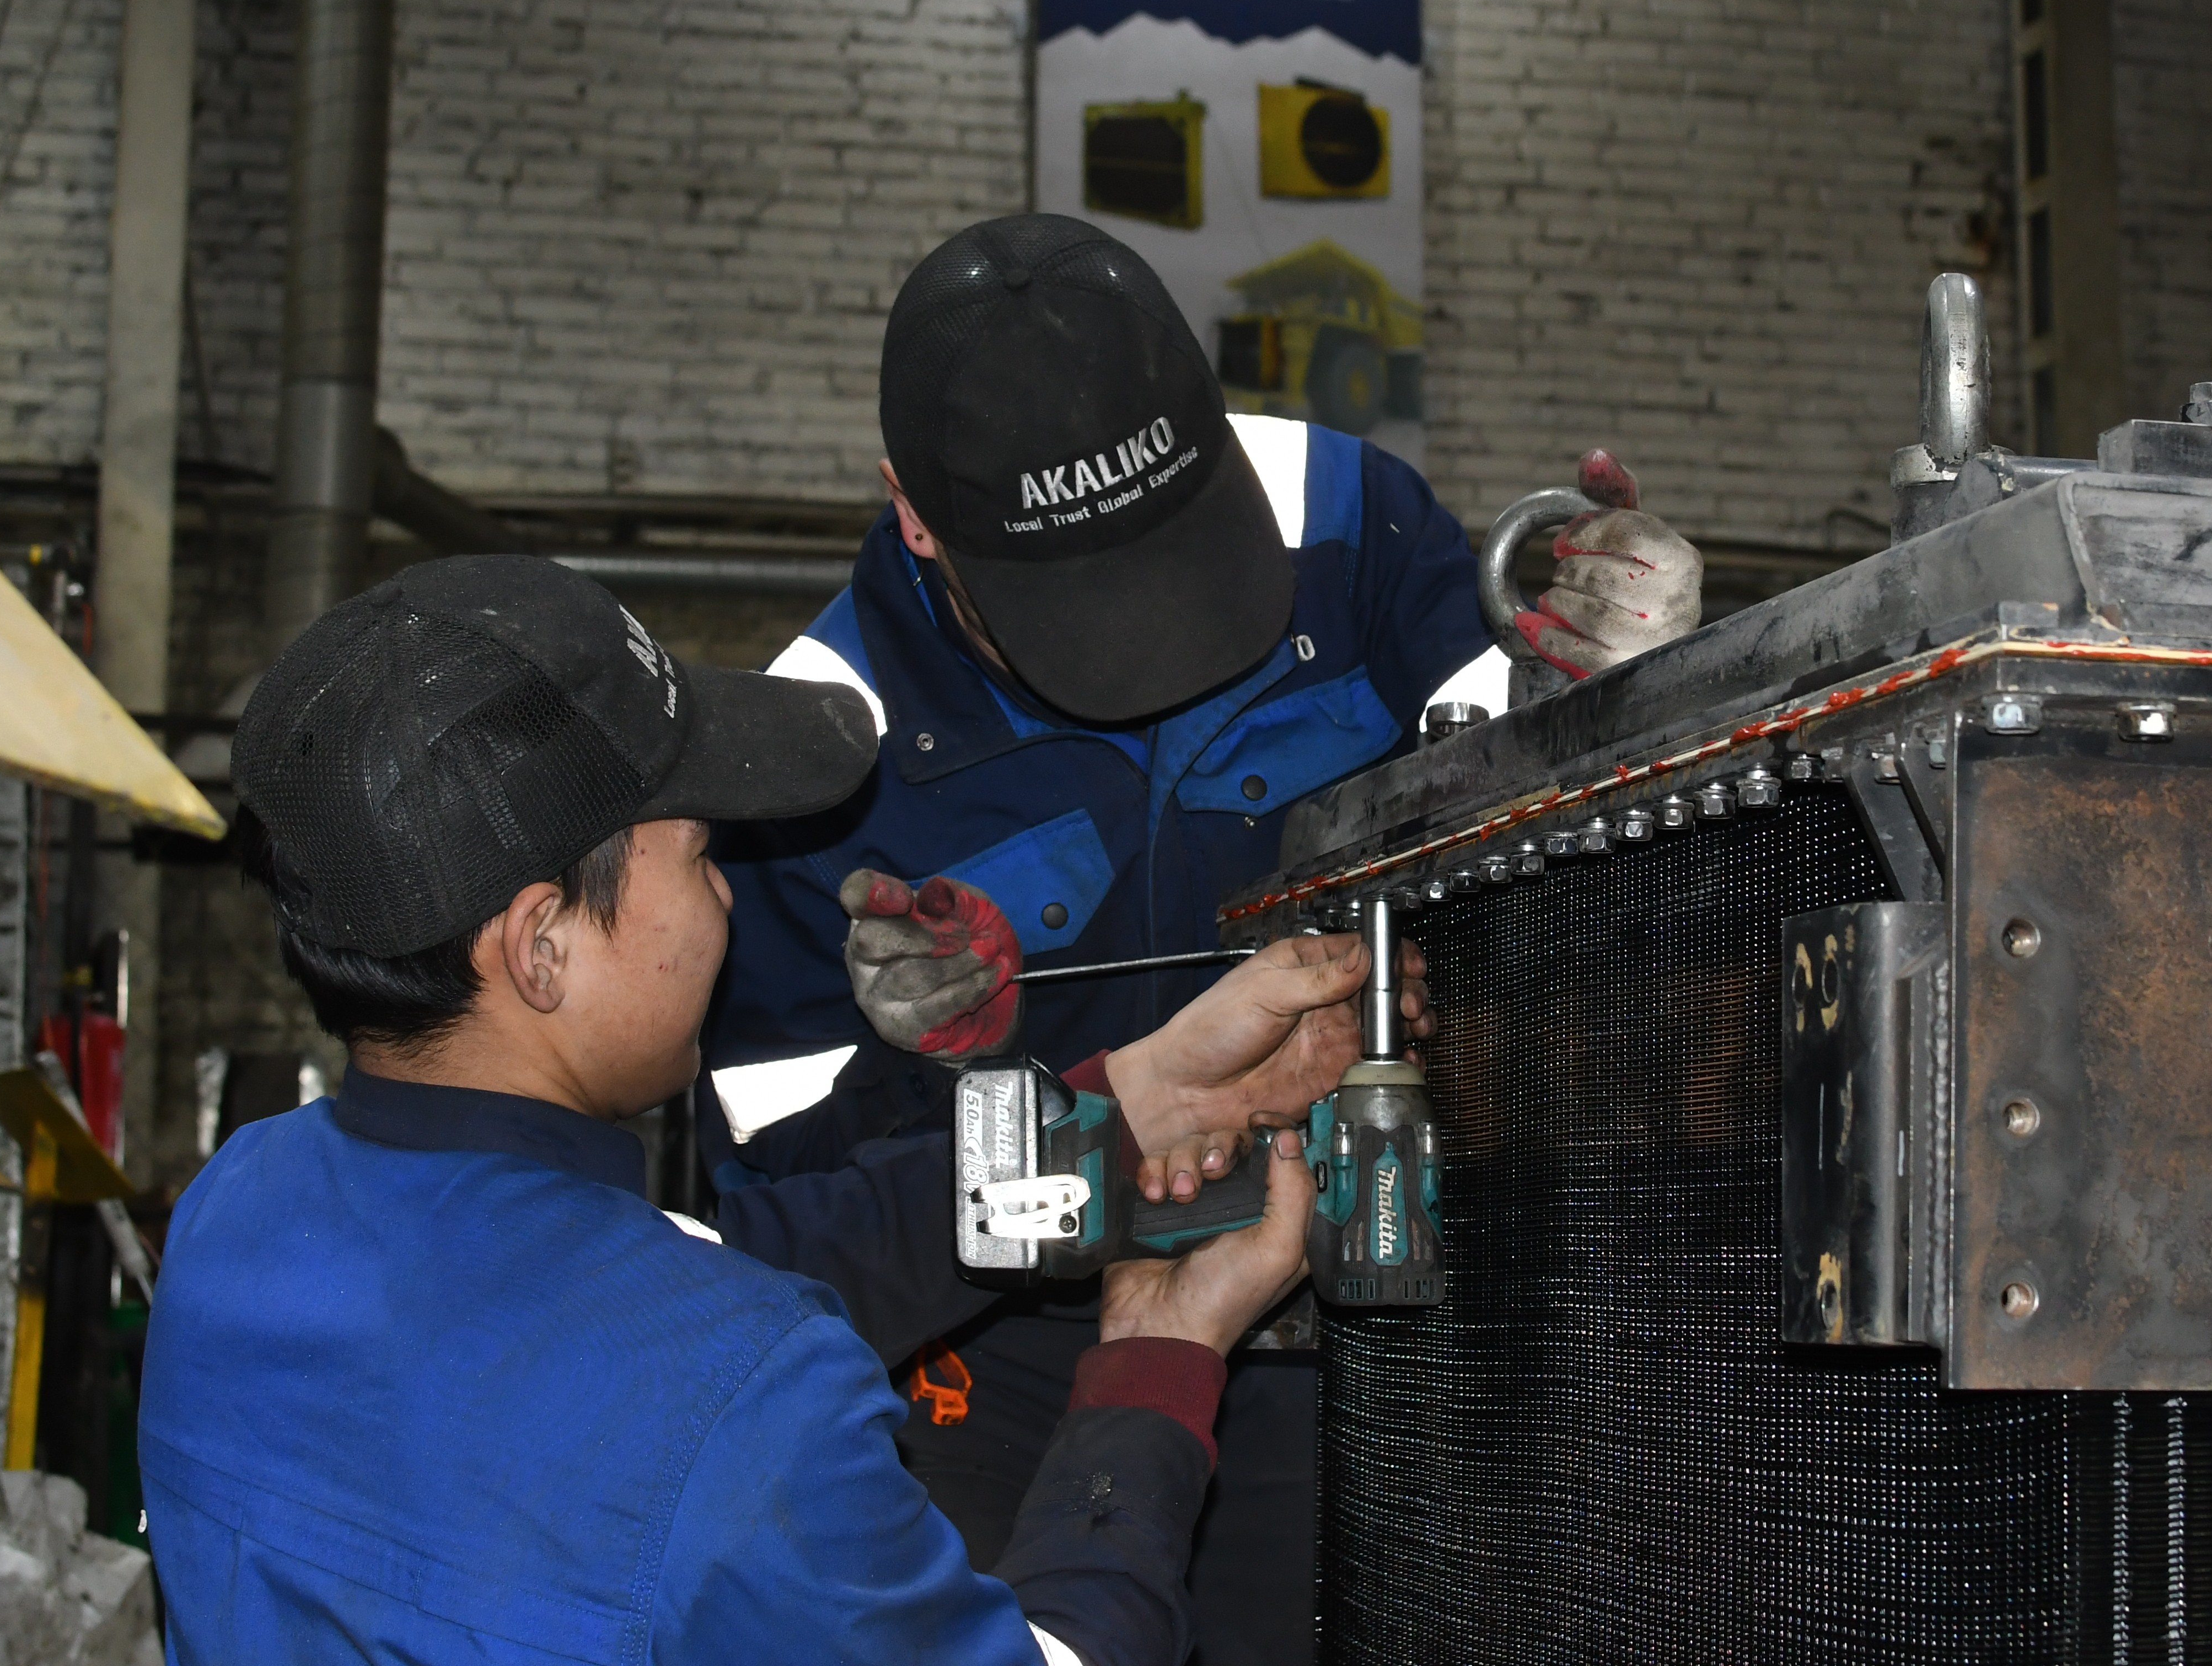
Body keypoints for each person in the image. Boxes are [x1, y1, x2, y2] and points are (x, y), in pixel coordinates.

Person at [706, 212, 1705, 1660]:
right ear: (918, 517)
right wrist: (946, 1074)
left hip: (1404, 1311)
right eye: (1087, 609)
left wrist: (1621, 697)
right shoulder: (826, 745)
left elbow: (1537, 814)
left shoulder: (1348, 519)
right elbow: (780, 1216)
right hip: (1033, 1380)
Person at [140, 556, 1422, 1665]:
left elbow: (733, 1270)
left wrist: (1146, 1097)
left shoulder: (238, 1213)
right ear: (542, 947)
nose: (730, 906)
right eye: (699, 855)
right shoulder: (747, 1407)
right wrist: (1161, 1351)